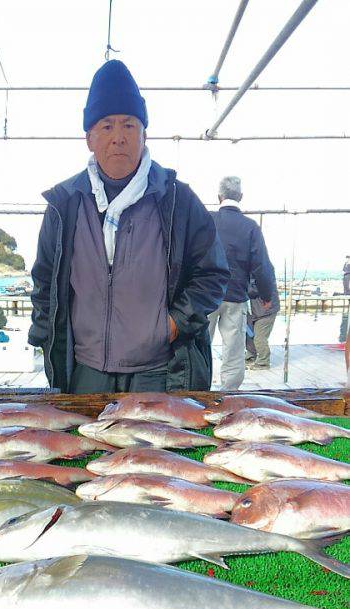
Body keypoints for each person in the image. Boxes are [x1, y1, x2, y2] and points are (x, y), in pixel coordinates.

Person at [28, 59, 229, 394]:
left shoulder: (179, 200)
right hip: (85, 371)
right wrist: (47, 335)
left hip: (159, 373)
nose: (118, 138)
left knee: (155, 449)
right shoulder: (65, 204)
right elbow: (45, 280)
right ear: (89, 138)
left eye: (129, 125)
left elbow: (213, 273)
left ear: (144, 134)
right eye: (106, 126)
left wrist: (173, 324)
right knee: (85, 448)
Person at [208, 176, 275, 391]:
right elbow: (262, 266)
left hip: (205, 296)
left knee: (199, 346)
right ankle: (228, 394)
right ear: (241, 197)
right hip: (235, 296)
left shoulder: (207, 220)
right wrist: (266, 296)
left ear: (219, 197)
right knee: (234, 349)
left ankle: (199, 390)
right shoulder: (250, 227)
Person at [246, 276, 280, 370]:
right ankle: (251, 356)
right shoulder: (248, 271)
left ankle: (263, 362)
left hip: (266, 312)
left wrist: (238, 285)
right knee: (249, 335)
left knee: (259, 338)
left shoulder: (260, 272)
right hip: (253, 312)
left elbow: (252, 290)